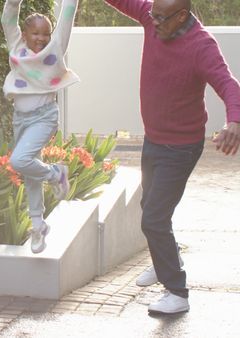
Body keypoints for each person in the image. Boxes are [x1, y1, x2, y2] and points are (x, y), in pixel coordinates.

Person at [104, 0, 240, 314]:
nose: (154, 23)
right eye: (152, 16)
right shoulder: (152, 15)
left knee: (153, 218)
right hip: (154, 138)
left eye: (161, 19)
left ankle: (177, 291)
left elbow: (229, 85)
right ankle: (167, 258)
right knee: (149, 207)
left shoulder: (201, 45)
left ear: (182, 16)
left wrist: (234, 122)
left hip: (181, 147)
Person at [2, 0, 79, 254]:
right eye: (35, 33)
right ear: (24, 34)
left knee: (20, 160)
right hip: (20, 118)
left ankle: (57, 174)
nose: (41, 38)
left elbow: (66, 15)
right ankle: (38, 225)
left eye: (45, 33)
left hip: (44, 117)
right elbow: (8, 18)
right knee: (30, 172)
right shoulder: (17, 47)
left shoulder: (55, 48)